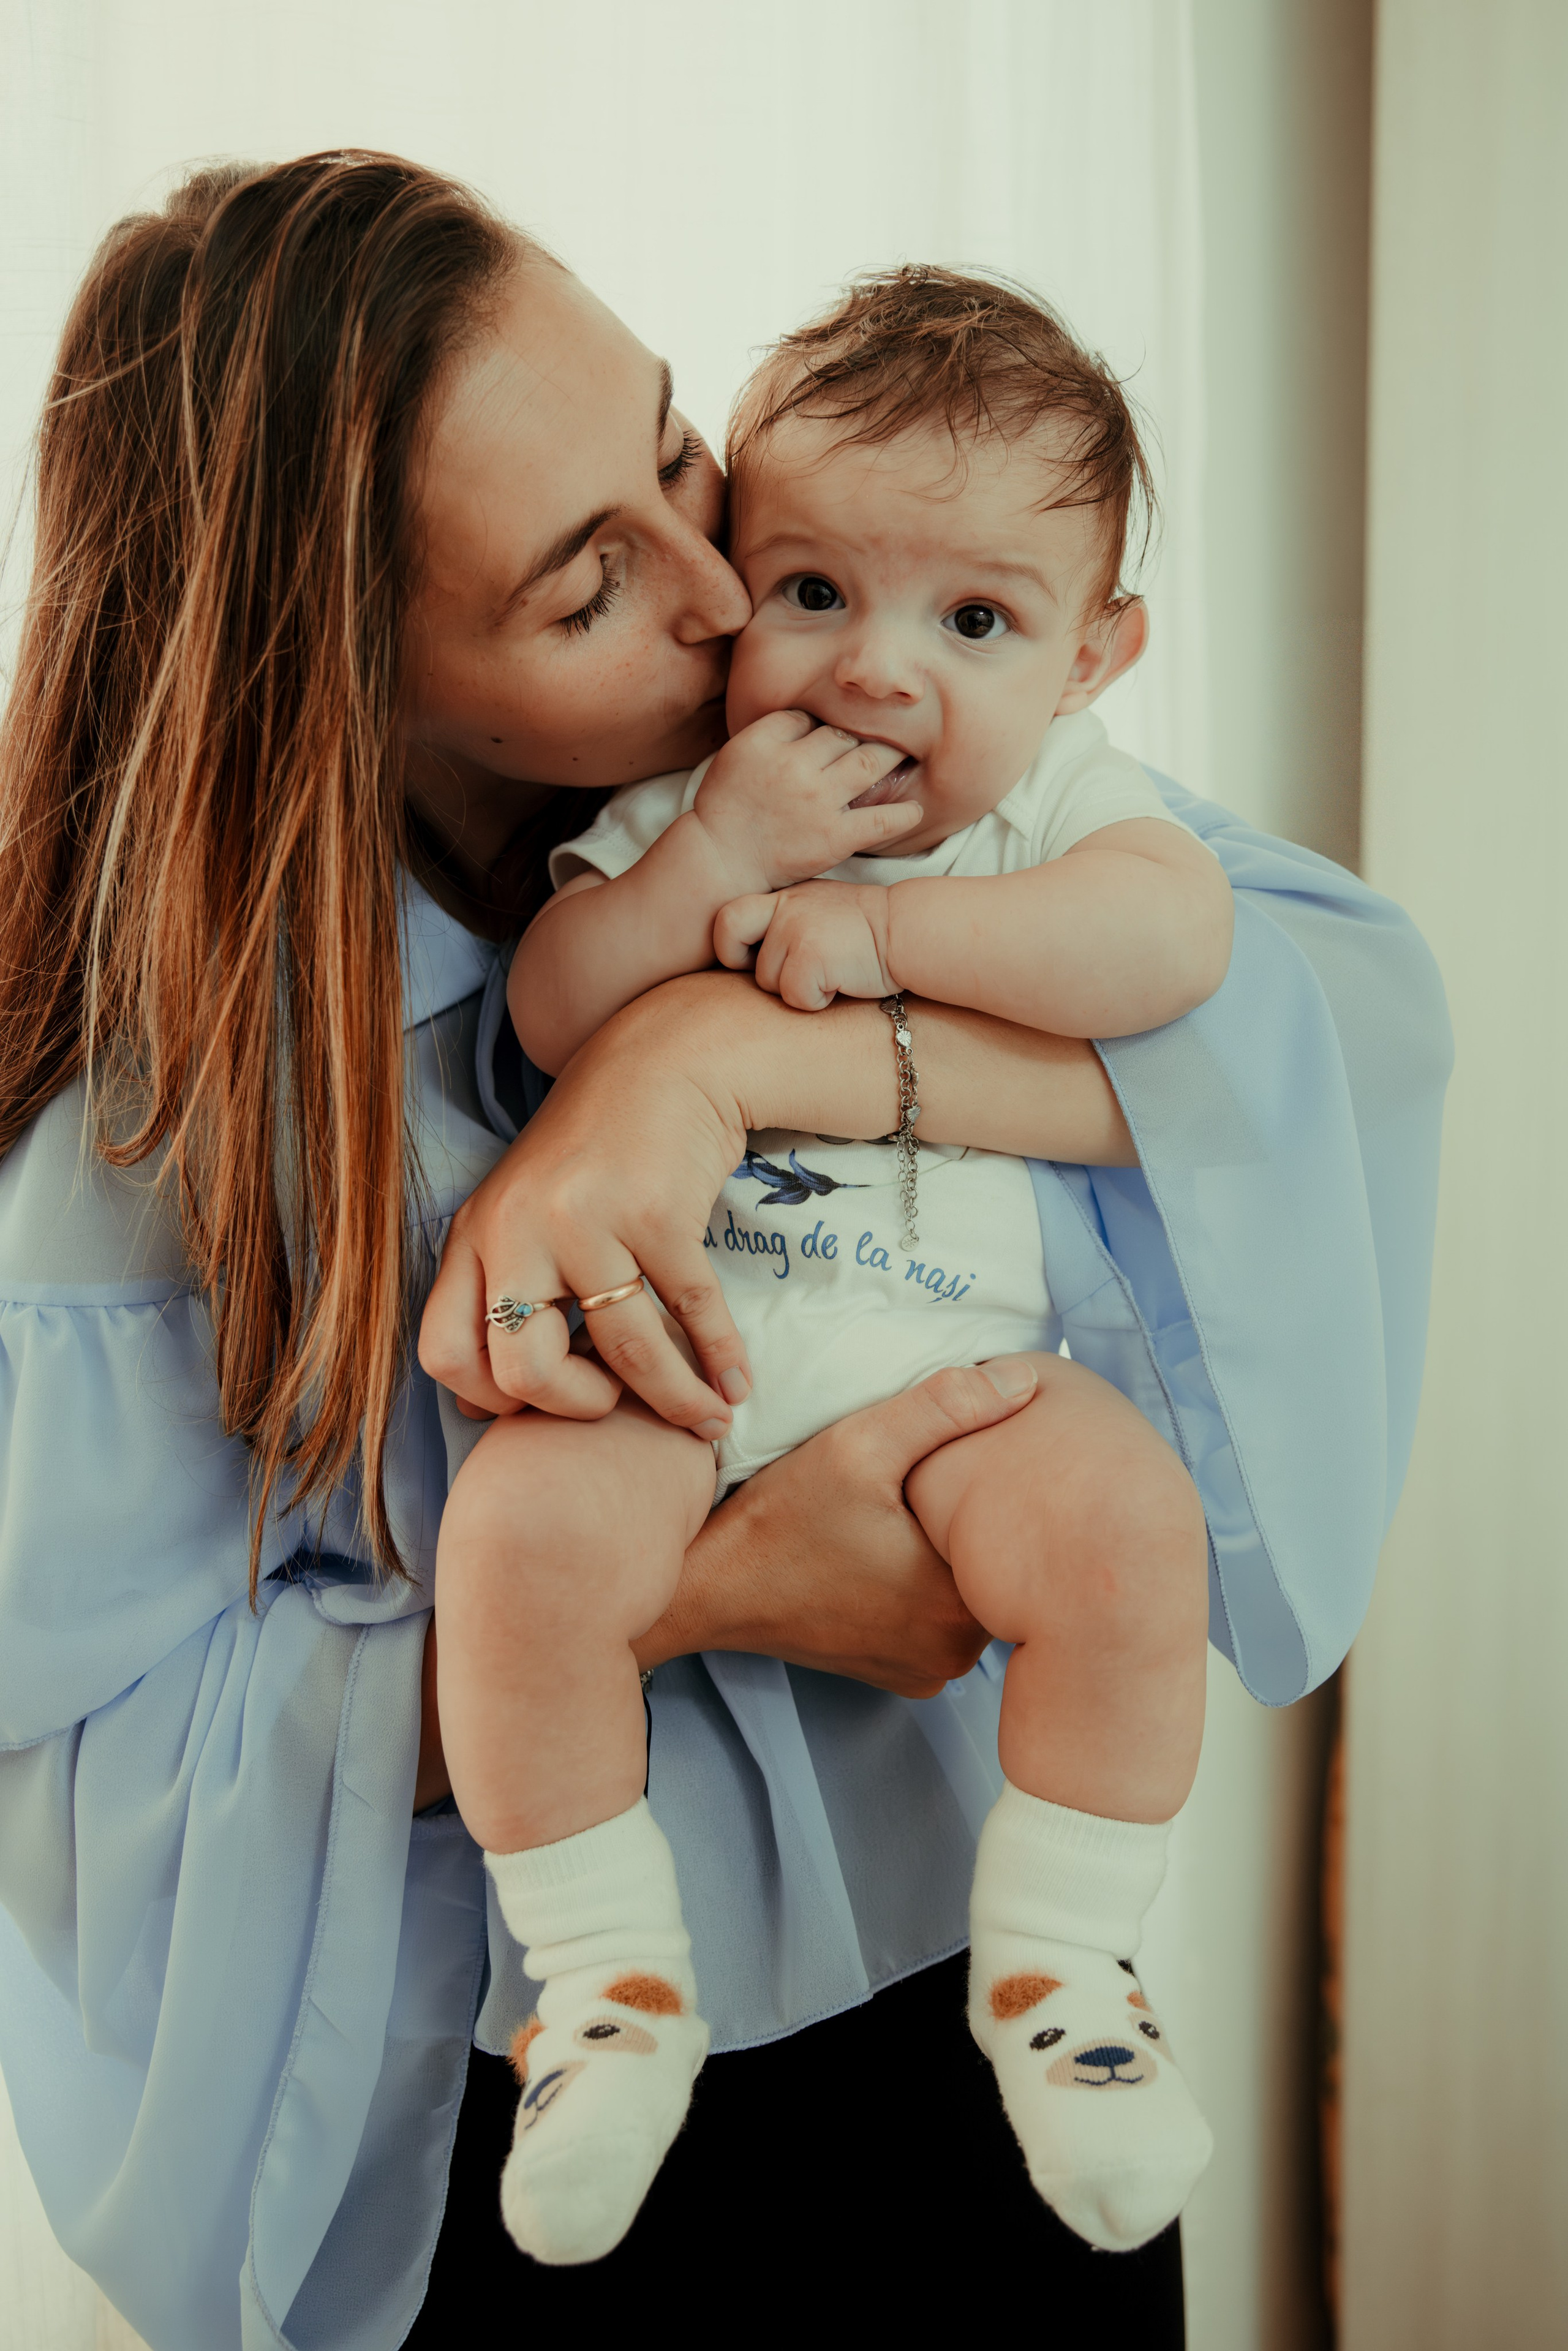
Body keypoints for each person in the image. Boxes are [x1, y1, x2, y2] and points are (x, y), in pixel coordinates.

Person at [0, 154, 1449, 2351]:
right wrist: (719, 1589)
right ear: (355, 676)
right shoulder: (147, 1145)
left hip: (952, 1973)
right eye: (589, 586)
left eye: (679, 449)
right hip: (537, 2110)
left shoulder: (842, 761)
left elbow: (1323, 1013)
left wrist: (691, 1069)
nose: (719, 594)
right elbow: (94, 1790)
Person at [441, 266, 1231, 2267]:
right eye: (812, 591)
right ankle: (603, 1987)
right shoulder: (690, 797)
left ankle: (1067, 1977)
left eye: (972, 622)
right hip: (676, 1375)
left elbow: (1168, 952)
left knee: (1132, 1540)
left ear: (1090, 656)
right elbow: (546, 1004)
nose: (875, 671)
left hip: (951, 1383)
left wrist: (887, 946)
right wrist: (711, 861)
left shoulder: (1052, 808)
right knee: (519, 1546)